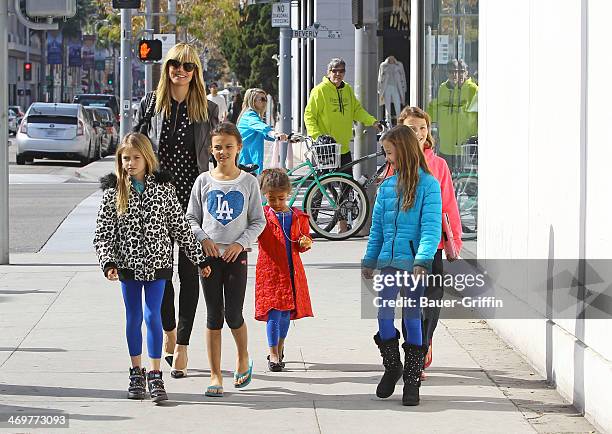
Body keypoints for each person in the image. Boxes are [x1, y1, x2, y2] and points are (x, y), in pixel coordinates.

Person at [93, 133, 211, 403]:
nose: (130, 163)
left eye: (136, 158)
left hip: (158, 264)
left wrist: (199, 258)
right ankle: (136, 371)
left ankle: (155, 374)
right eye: (125, 158)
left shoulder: (163, 190)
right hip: (128, 266)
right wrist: (108, 261)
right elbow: (103, 232)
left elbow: (180, 227)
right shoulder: (114, 192)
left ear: (147, 158)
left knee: (152, 316)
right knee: (133, 317)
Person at [133, 42, 219, 378]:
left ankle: (182, 344)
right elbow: (136, 143)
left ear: (195, 71)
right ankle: (169, 330)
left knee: (189, 273)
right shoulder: (152, 104)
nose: (179, 71)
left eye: (186, 66)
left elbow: (216, 153)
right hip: (157, 201)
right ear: (166, 69)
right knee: (160, 274)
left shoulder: (207, 109)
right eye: (173, 65)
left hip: (193, 203)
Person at [361, 125, 441, 406]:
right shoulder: (386, 188)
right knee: (384, 313)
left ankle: (412, 377)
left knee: (411, 316)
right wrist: (370, 260)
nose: (387, 158)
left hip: (414, 265)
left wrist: (422, 260)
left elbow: (431, 230)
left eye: (390, 153)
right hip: (389, 264)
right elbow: (377, 231)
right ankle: (392, 365)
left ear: (404, 151)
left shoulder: (429, 185)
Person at [186, 122, 266, 397]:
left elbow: (258, 221)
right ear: (211, 149)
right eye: (218, 147)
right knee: (213, 316)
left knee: (233, 314)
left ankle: (243, 357)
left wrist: (240, 243)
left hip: (236, 256)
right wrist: (203, 239)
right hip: (209, 258)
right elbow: (191, 219)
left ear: (239, 148)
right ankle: (215, 374)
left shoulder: (248, 182)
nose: (223, 152)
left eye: (228, 147)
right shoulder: (203, 181)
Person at [399, 106, 462, 380]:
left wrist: (454, 240)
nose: (419, 133)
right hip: (405, 247)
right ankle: (413, 354)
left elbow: (449, 205)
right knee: (410, 302)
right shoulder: (395, 162)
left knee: (432, 302)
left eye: (423, 128)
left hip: (433, 245)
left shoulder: (439, 165)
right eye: (412, 128)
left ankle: (424, 342)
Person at [304, 57, 382, 232]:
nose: (338, 74)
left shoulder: (347, 90)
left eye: (341, 71)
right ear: (328, 72)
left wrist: (372, 122)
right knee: (321, 186)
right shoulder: (319, 91)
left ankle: (343, 225)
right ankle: (310, 224)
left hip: (344, 147)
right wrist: (317, 137)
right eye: (334, 71)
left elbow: (356, 110)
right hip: (326, 149)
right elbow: (309, 116)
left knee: (347, 187)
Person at [255, 169, 314, 372]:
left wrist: (305, 242)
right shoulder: (261, 216)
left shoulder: (297, 217)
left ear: (288, 193)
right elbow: (250, 232)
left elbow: (303, 243)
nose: (277, 203)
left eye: (280, 198)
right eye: (271, 198)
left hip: (291, 272)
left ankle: (280, 347)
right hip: (269, 272)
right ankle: (273, 353)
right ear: (264, 195)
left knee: (286, 314)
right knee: (273, 312)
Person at [427, 59, 478, 171]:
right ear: (447, 73)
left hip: (465, 146)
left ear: (466, 72)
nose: (456, 75)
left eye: (460, 71)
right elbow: (435, 110)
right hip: (445, 146)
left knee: (463, 181)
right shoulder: (442, 88)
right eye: (452, 71)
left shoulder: (473, 89)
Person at [236, 88, 287, 174]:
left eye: (266, 99)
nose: (265, 102)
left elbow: (264, 134)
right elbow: (261, 127)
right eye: (262, 99)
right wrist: (273, 133)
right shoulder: (249, 115)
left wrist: (286, 138)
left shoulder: (252, 115)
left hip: (251, 160)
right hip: (247, 160)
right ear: (253, 101)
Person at [377, 56, 407, 125]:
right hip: (387, 87)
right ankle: (388, 122)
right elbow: (380, 78)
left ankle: (399, 122)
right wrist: (379, 90)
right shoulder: (383, 66)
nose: (391, 60)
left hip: (396, 87)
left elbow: (403, 78)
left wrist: (404, 88)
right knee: (387, 106)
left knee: (397, 104)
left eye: (393, 59)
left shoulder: (399, 66)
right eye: (390, 59)